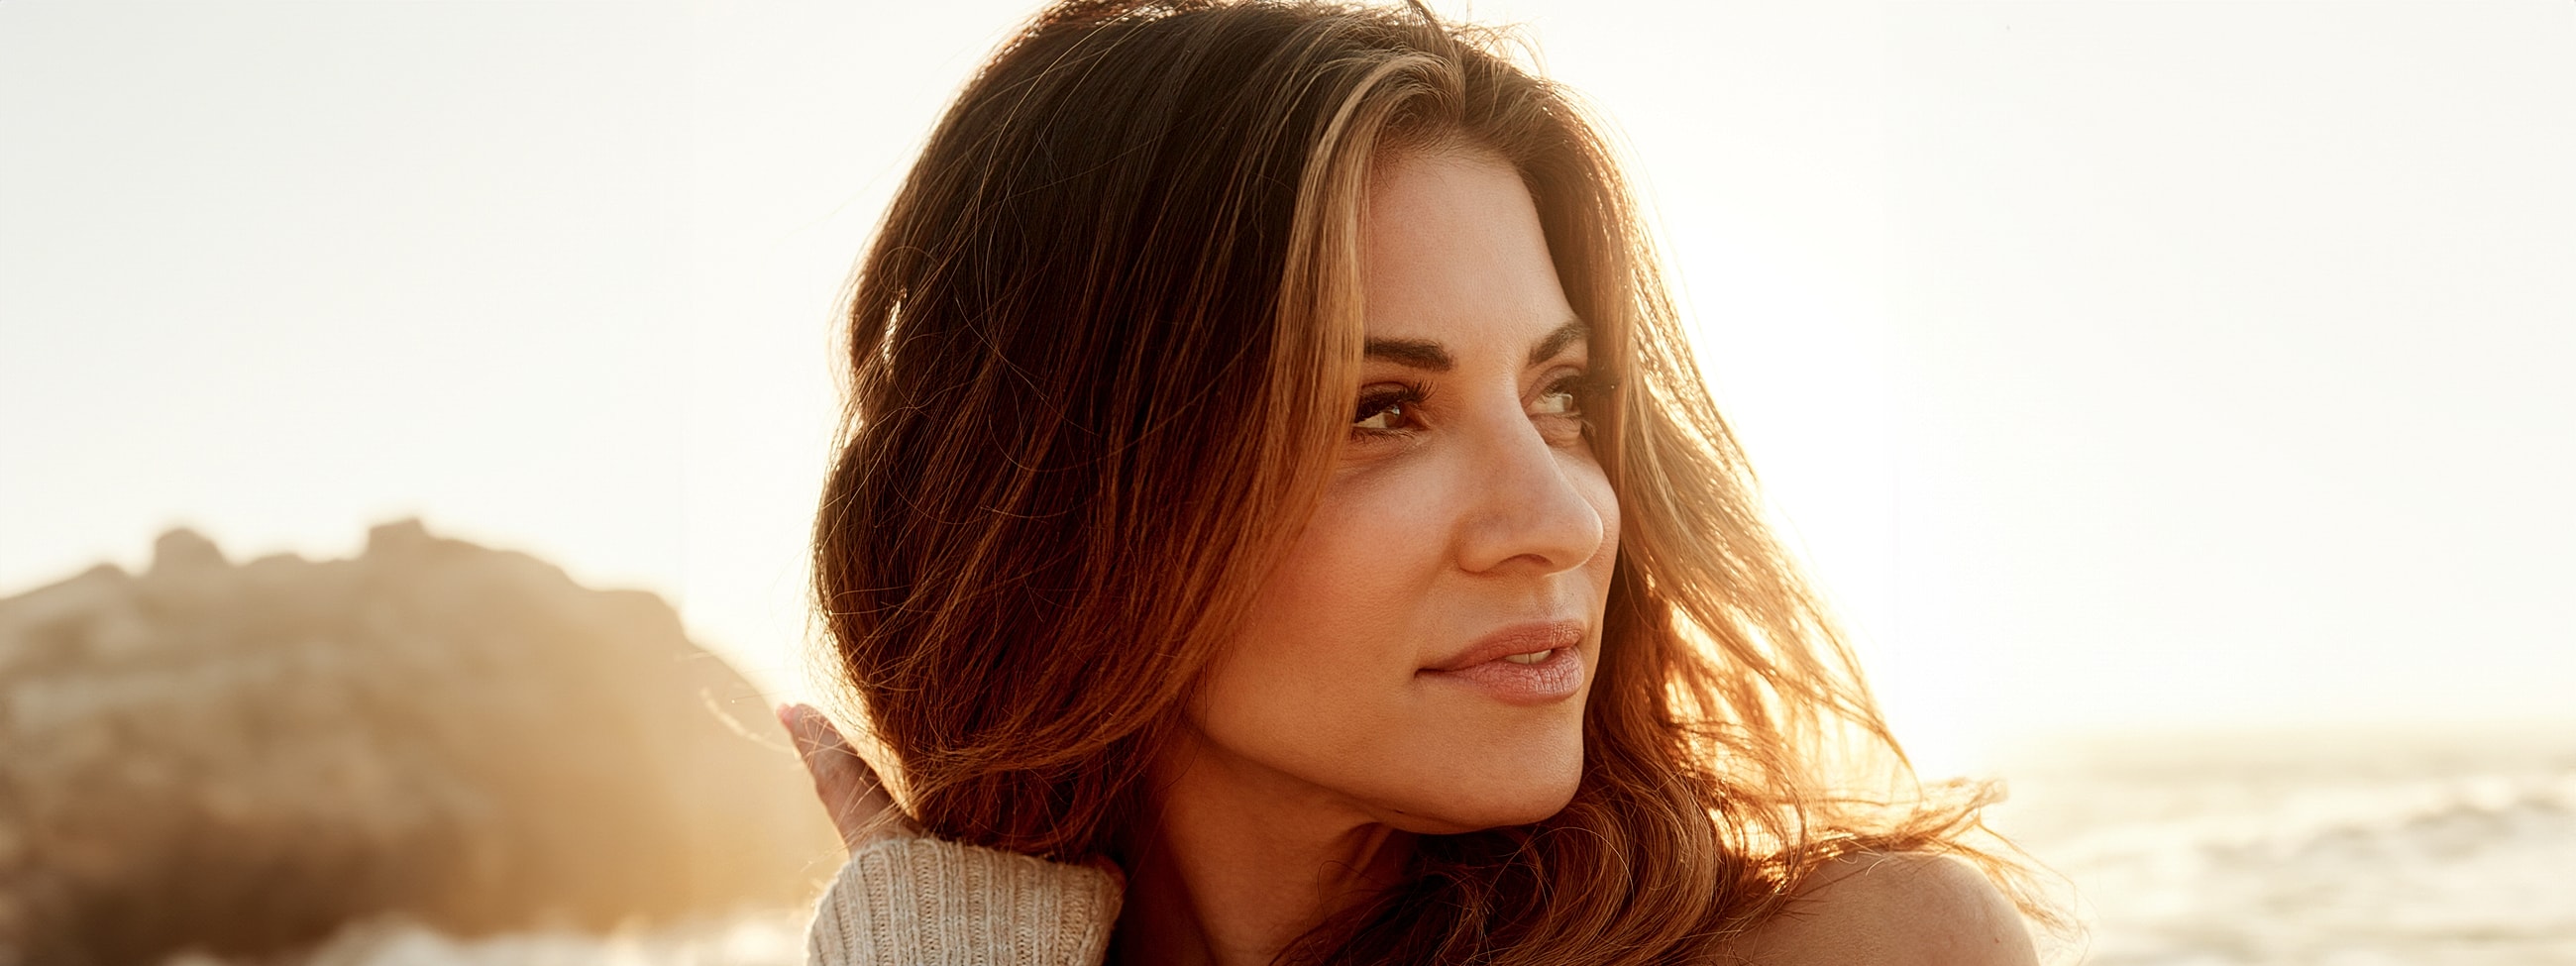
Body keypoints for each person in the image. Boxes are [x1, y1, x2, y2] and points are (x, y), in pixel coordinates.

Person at [778, 1, 2055, 962]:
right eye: (1381, 410)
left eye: (1562, 395)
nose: (1563, 519)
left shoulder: (1866, 950)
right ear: (1069, 497)